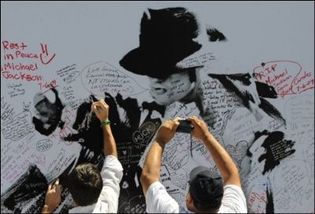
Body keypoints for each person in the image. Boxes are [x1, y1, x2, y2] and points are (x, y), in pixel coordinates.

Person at [119, 7, 285, 141]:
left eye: (165, 71)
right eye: (149, 70)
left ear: (195, 67)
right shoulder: (175, 110)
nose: (155, 80)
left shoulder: (229, 108)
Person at [140, 116, 247, 213]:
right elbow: (231, 175)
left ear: (190, 199)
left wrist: (160, 139)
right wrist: (206, 136)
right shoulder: (235, 209)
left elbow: (148, 177)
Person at [41, 99, 123, 213]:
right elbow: (112, 157)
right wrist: (105, 121)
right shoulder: (108, 202)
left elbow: (111, 158)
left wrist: (48, 207)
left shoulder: (109, 199)